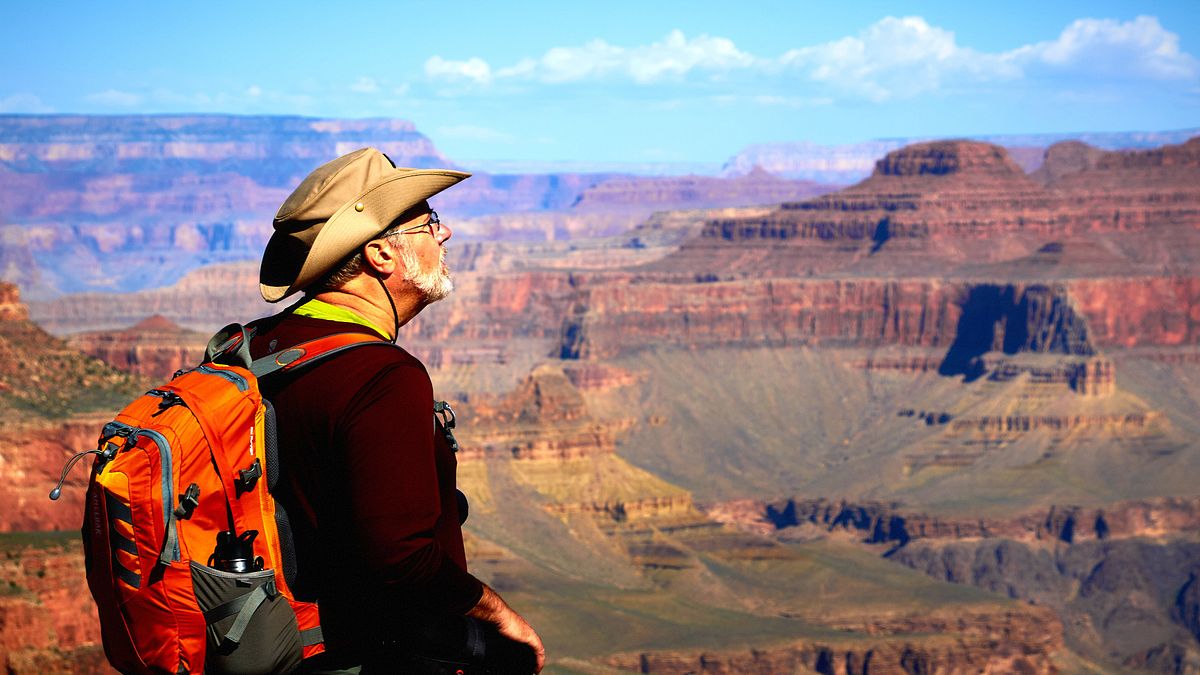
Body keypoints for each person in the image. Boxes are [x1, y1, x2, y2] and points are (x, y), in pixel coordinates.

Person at [249, 147, 544, 674]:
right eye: (428, 223)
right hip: (363, 656)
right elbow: (401, 558)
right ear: (382, 255)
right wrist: (497, 616)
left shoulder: (254, 348)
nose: (444, 235)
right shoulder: (382, 376)